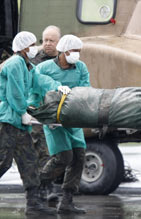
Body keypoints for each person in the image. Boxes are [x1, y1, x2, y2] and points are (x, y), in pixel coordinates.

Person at [0, 31, 70, 215]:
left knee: (29, 162)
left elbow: (39, 81)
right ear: (23, 48)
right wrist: (23, 112)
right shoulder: (14, 64)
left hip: (19, 123)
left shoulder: (28, 66)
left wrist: (57, 86)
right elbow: (14, 93)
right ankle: (33, 203)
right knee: (3, 162)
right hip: (7, 120)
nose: (35, 48)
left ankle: (33, 204)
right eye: (32, 45)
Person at [35, 34, 90, 214]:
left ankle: (67, 200)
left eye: (79, 52)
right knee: (64, 157)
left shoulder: (80, 68)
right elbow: (34, 88)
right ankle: (37, 183)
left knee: (79, 156)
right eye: (75, 51)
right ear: (65, 51)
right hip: (53, 120)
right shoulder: (44, 68)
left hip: (73, 118)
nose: (77, 55)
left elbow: (85, 89)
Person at [28, 25, 61, 202]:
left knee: (62, 154)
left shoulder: (64, 61)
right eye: (45, 40)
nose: (47, 44)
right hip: (38, 113)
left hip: (59, 114)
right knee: (42, 151)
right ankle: (47, 189)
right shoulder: (34, 61)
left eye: (51, 40)